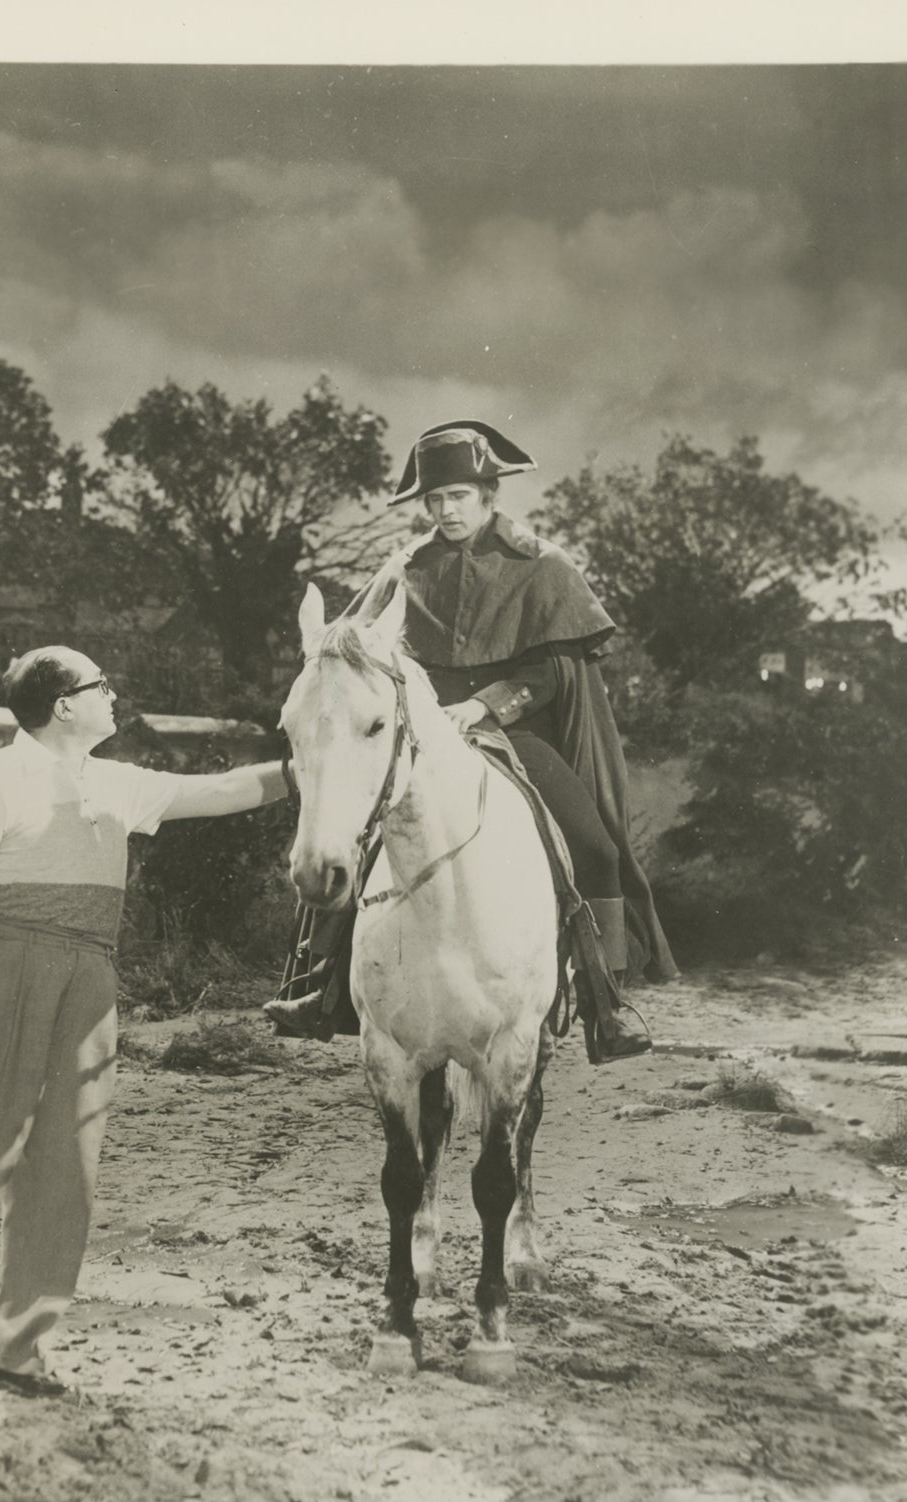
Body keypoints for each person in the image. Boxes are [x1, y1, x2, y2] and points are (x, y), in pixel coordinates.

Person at [0, 646, 289, 1403]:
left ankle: (21, 1350)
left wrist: (322, 757)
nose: (114, 694)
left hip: (89, 979)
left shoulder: (117, 781)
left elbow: (227, 788)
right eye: (99, 685)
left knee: (64, 1174)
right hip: (0, 970)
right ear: (62, 705)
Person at [265, 419, 676, 1058]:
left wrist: (483, 707)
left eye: (458, 496)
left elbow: (551, 670)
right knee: (351, 831)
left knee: (591, 846)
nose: (445, 511)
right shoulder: (405, 568)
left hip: (513, 730)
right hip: (415, 732)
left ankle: (606, 1002)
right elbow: (354, 650)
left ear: (489, 495)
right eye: (434, 500)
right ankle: (320, 985)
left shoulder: (543, 565)